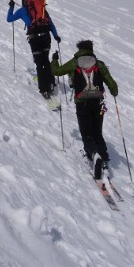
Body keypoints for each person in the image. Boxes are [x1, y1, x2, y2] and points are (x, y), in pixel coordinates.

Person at [51, 40, 118, 181]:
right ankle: (104, 158)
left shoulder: (75, 62)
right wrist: (114, 91)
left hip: (82, 102)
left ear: (80, 49)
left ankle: (94, 154)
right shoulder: (99, 64)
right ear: (91, 49)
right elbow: (111, 83)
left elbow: (56, 71)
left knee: (86, 133)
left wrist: (54, 60)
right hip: (98, 102)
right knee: (97, 132)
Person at [6, 0, 61, 100]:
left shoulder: (23, 10)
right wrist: (56, 36)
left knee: (39, 64)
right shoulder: (43, 10)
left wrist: (11, 7)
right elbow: (51, 24)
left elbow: (9, 19)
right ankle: (50, 83)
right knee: (46, 60)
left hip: (35, 39)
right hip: (46, 37)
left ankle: (44, 89)